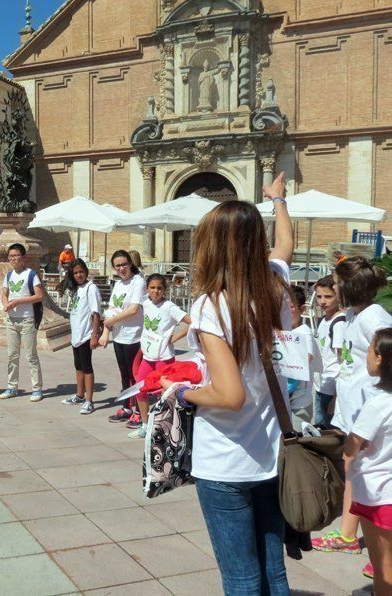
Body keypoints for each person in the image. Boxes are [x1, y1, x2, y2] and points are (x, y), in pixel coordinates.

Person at [162, 172, 294, 594]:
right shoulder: (273, 285)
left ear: (211, 246)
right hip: (272, 454)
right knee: (273, 570)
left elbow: (229, 395)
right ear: (257, 243)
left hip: (226, 460)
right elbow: (285, 248)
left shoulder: (211, 305)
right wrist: (278, 202)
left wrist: (181, 392)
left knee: (241, 576)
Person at [312, 256, 391, 555]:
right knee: (353, 470)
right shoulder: (356, 315)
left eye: (336, 282)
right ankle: (351, 536)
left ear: (349, 287)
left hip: (370, 412)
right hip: (352, 409)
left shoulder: (375, 318)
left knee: (363, 473)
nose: (332, 286)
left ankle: (364, 543)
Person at [344, 328, 392, 590]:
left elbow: (350, 447)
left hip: (378, 494)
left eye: (370, 350)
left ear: (380, 359)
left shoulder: (378, 404)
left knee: (383, 569)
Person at [130, 274, 190, 439]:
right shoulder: (145, 303)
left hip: (164, 359)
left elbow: (192, 322)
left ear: (165, 290)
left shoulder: (170, 307)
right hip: (148, 358)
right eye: (152, 287)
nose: (156, 291)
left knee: (164, 395)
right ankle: (145, 425)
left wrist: (176, 336)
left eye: (159, 288)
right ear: (147, 289)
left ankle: (165, 428)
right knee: (140, 391)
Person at [98, 251, 145, 424]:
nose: (121, 268)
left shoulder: (138, 282)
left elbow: (133, 310)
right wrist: (106, 330)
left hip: (134, 335)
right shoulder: (118, 285)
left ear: (130, 264)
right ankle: (127, 407)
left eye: (124, 264)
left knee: (135, 375)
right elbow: (111, 308)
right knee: (124, 374)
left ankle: (139, 411)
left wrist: (111, 319)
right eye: (118, 265)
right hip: (119, 336)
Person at [0, 243, 44, 402]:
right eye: (11, 256)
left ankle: (37, 388)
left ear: (23, 257)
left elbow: (39, 295)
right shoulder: (9, 275)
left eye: (16, 255)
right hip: (11, 320)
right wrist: (5, 304)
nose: (13, 258)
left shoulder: (31, 274)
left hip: (27, 319)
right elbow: (4, 293)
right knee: (12, 355)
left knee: (31, 355)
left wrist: (18, 301)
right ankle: (12, 387)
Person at [60, 259, 102, 414]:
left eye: (81, 272)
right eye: (76, 272)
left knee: (87, 367)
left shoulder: (91, 288)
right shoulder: (77, 289)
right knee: (78, 366)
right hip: (76, 336)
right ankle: (79, 394)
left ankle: (89, 400)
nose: (79, 275)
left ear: (86, 272)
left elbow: (96, 313)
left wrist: (94, 335)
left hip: (85, 335)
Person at [287, 284, 322, 430]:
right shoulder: (280, 330)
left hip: (299, 402)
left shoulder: (304, 331)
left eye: (290, 307)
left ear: (302, 309)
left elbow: (306, 358)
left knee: (298, 440)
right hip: (281, 399)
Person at [313, 275, 346, 427]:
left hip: (331, 389)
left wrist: (336, 397)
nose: (322, 301)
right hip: (321, 385)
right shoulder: (324, 320)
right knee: (320, 429)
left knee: (326, 433)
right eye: (319, 296)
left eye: (328, 296)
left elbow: (344, 362)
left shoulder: (339, 323)